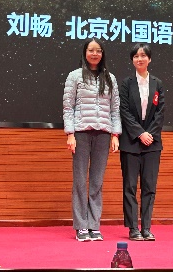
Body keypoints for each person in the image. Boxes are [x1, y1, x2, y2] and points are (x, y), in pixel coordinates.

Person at [63, 38, 121, 242]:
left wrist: (115, 134)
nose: (95, 54)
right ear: (85, 52)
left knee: (97, 182)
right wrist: (70, 134)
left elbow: (115, 109)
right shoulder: (74, 76)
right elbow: (68, 107)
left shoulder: (110, 78)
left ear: (102, 54)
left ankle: (94, 225)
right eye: (91, 50)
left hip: (103, 134)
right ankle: (81, 226)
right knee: (80, 181)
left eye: (98, 51)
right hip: (81, 133)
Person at [118, 43, 165, 241]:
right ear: (132, 60)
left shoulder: (157, 83)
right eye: (136, 56)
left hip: (152, 143)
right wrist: (139, 133)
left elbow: (160, 112)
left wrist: (149, 134)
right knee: (129, 186)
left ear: (149, 59)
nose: (140, 59)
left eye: (143, 55)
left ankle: (146, 228)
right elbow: (124, 111)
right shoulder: (126, 83)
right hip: (131, 142)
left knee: (149, 186)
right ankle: (133, 228)